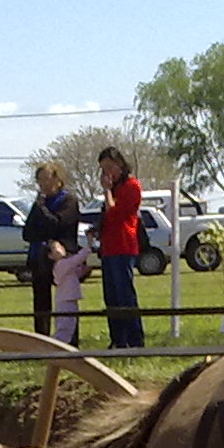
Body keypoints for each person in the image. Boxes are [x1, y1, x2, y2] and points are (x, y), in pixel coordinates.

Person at [23, 161, 83, 338]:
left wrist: (42, 212)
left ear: (57, 179)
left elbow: (58, 224)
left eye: (46, 179)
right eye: (39, 180)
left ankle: (69, 338)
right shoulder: (40, 203)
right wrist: (44, 233)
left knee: (65, 300)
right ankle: (41, 337)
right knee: (41, 300)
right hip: (40, 258)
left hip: (62, 258)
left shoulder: (69, 201)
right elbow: (27, 232)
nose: (42, 184)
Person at [95, 145, 145, 350]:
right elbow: (107, 216)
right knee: (111, 296)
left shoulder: (131, 186)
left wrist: (107, 191)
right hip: (109, 246)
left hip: (124, 245)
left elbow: (116, 213)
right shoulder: (114, 189)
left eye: (110, 167)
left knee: (125, 294)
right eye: (103, 169)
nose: (107, 173)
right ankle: (118, 339)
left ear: (120, 165)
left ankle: (135, 339)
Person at [50, 220, 94, 347]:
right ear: (50, 256)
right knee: (65, 326)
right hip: (65, 300)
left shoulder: (65, 265)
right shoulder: (61, 265)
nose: (59, 250)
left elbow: (76, 273)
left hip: (69, 298)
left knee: (69, 325)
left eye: (59, 247)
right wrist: (89, 245)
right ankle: (58, 346)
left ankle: (62, 346)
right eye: (55, 249)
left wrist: (85, 270)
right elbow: (77, 260)